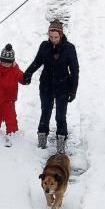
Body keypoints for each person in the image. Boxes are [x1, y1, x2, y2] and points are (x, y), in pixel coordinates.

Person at [22, 19, 78, 154]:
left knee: (60, 115)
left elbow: (75, 70)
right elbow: (37, 62)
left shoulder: (69, 48)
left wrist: (72, 90)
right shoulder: (44, 46)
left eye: (56, 37)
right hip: (46, 84)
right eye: (51, 37)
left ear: (61, 35)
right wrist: (27, 73)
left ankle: (61, 140)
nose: (53, 40)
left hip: (63, 86)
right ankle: (42, 138)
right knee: (45, 111)